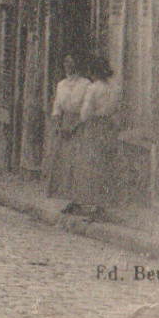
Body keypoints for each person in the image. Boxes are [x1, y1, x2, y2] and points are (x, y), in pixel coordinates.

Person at [66, 54, 121, 220]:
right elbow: (115, 108)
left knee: (92, 165)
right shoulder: (115, 88)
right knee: (106, 164)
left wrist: (77, 124)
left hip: (94, 127)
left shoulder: (93, 88)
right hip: (109, 127)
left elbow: (85, 113)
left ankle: (94, 205)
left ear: (93, 72)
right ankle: (103, 205)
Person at [47, 54, 88, 202]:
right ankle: (61, 193)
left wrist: (74, 126)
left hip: (79, 125)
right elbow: (57, 108)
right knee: (62, 157)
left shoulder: (85, 84)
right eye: (66, 62)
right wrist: (58, 125)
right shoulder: (61, 85)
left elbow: (86, 109)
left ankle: (76, 194)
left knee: (76, 159)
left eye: (71, 62)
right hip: (64, 124)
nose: (68, 65)